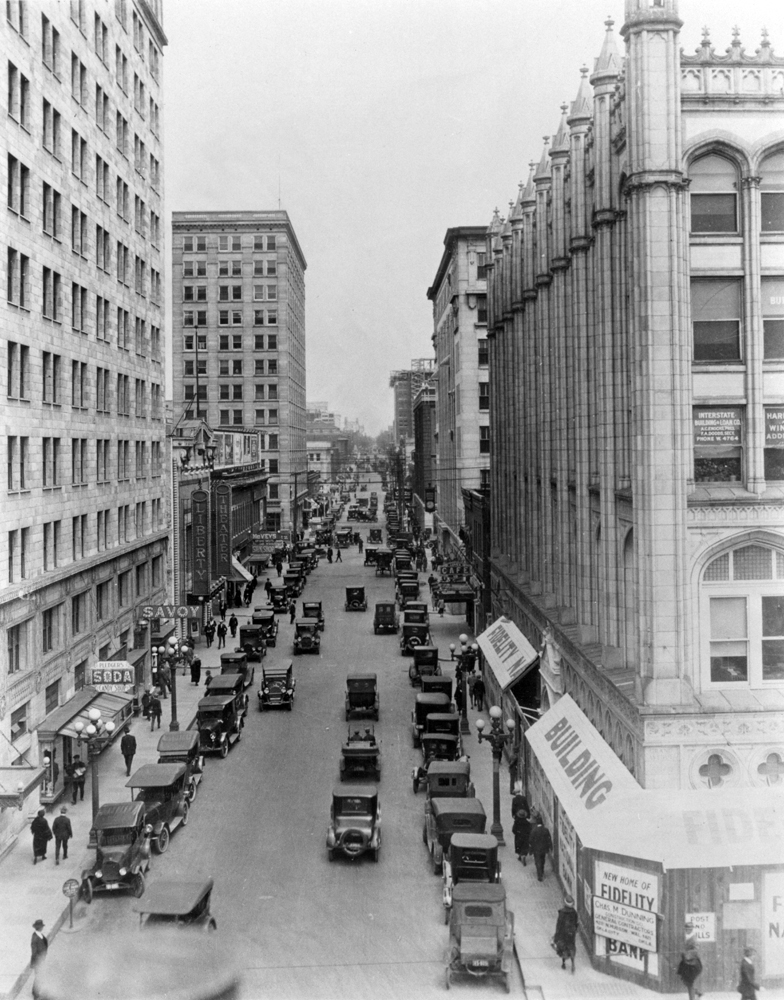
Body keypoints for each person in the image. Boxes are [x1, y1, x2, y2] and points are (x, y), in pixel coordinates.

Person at [553, 895, 579, 973]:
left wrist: (556, 936)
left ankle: (563, 963)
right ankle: (573, 964)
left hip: (563, 934)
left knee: (563, 948)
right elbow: (576, 923)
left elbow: (559, 924)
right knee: (571, 947)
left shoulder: (562, 912)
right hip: (571, 934)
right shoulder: (574, 912)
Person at [529, 816, 553, 881]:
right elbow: (549, 839)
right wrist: (550, 847)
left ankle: (539, 874)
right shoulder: (545, 830)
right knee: (542, 860)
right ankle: (542, 871)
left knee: (537, 861)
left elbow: (530, 840)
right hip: (544, 849)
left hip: (536, 849)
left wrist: (530, 849)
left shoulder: (534, 830)